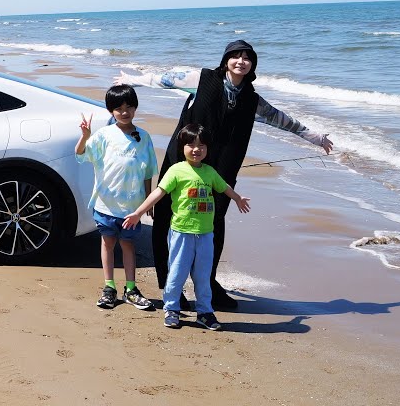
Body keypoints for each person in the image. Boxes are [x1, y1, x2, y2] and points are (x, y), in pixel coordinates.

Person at [116, 39, 332, 310]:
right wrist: (133, 80)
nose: (241, 62)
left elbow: (280, 119)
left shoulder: (251, 99)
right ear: (226, 59)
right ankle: (173, 284)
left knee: (213, 226)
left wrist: (315, 137)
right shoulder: (203, 78)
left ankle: (209, 284)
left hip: (220, 171)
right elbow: (167, 79)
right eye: (236, 56)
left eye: (247, 58)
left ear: (252, 65)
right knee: (168, 221)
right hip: (182, 162)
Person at [124, 123, 250, 330]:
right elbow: (159, 192)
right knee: (177, 273)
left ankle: (205, 312)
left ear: (207, 149)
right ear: (182, 147)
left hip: (205, 234)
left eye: (201, 145)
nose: (196, 149)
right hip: (182, 232)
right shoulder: (176, 170)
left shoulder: (209, 172)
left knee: (203, 275)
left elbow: (224, 186)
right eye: (191, 145)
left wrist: (237, 198)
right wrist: (138, 212)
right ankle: (171, 308)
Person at [75, 84, 158, 310]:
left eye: (129, 107)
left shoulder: (143, 136)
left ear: (135, 108)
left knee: (128, 245)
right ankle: (109, 287)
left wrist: (148, 200)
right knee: (108, 242)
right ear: (110, 110)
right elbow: (81, 154)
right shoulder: (104, 135)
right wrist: (85, 137)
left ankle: (131, 289)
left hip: (132, 207)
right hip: (106, 204)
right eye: (119, 108)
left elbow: (148, 170)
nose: (125, 112)